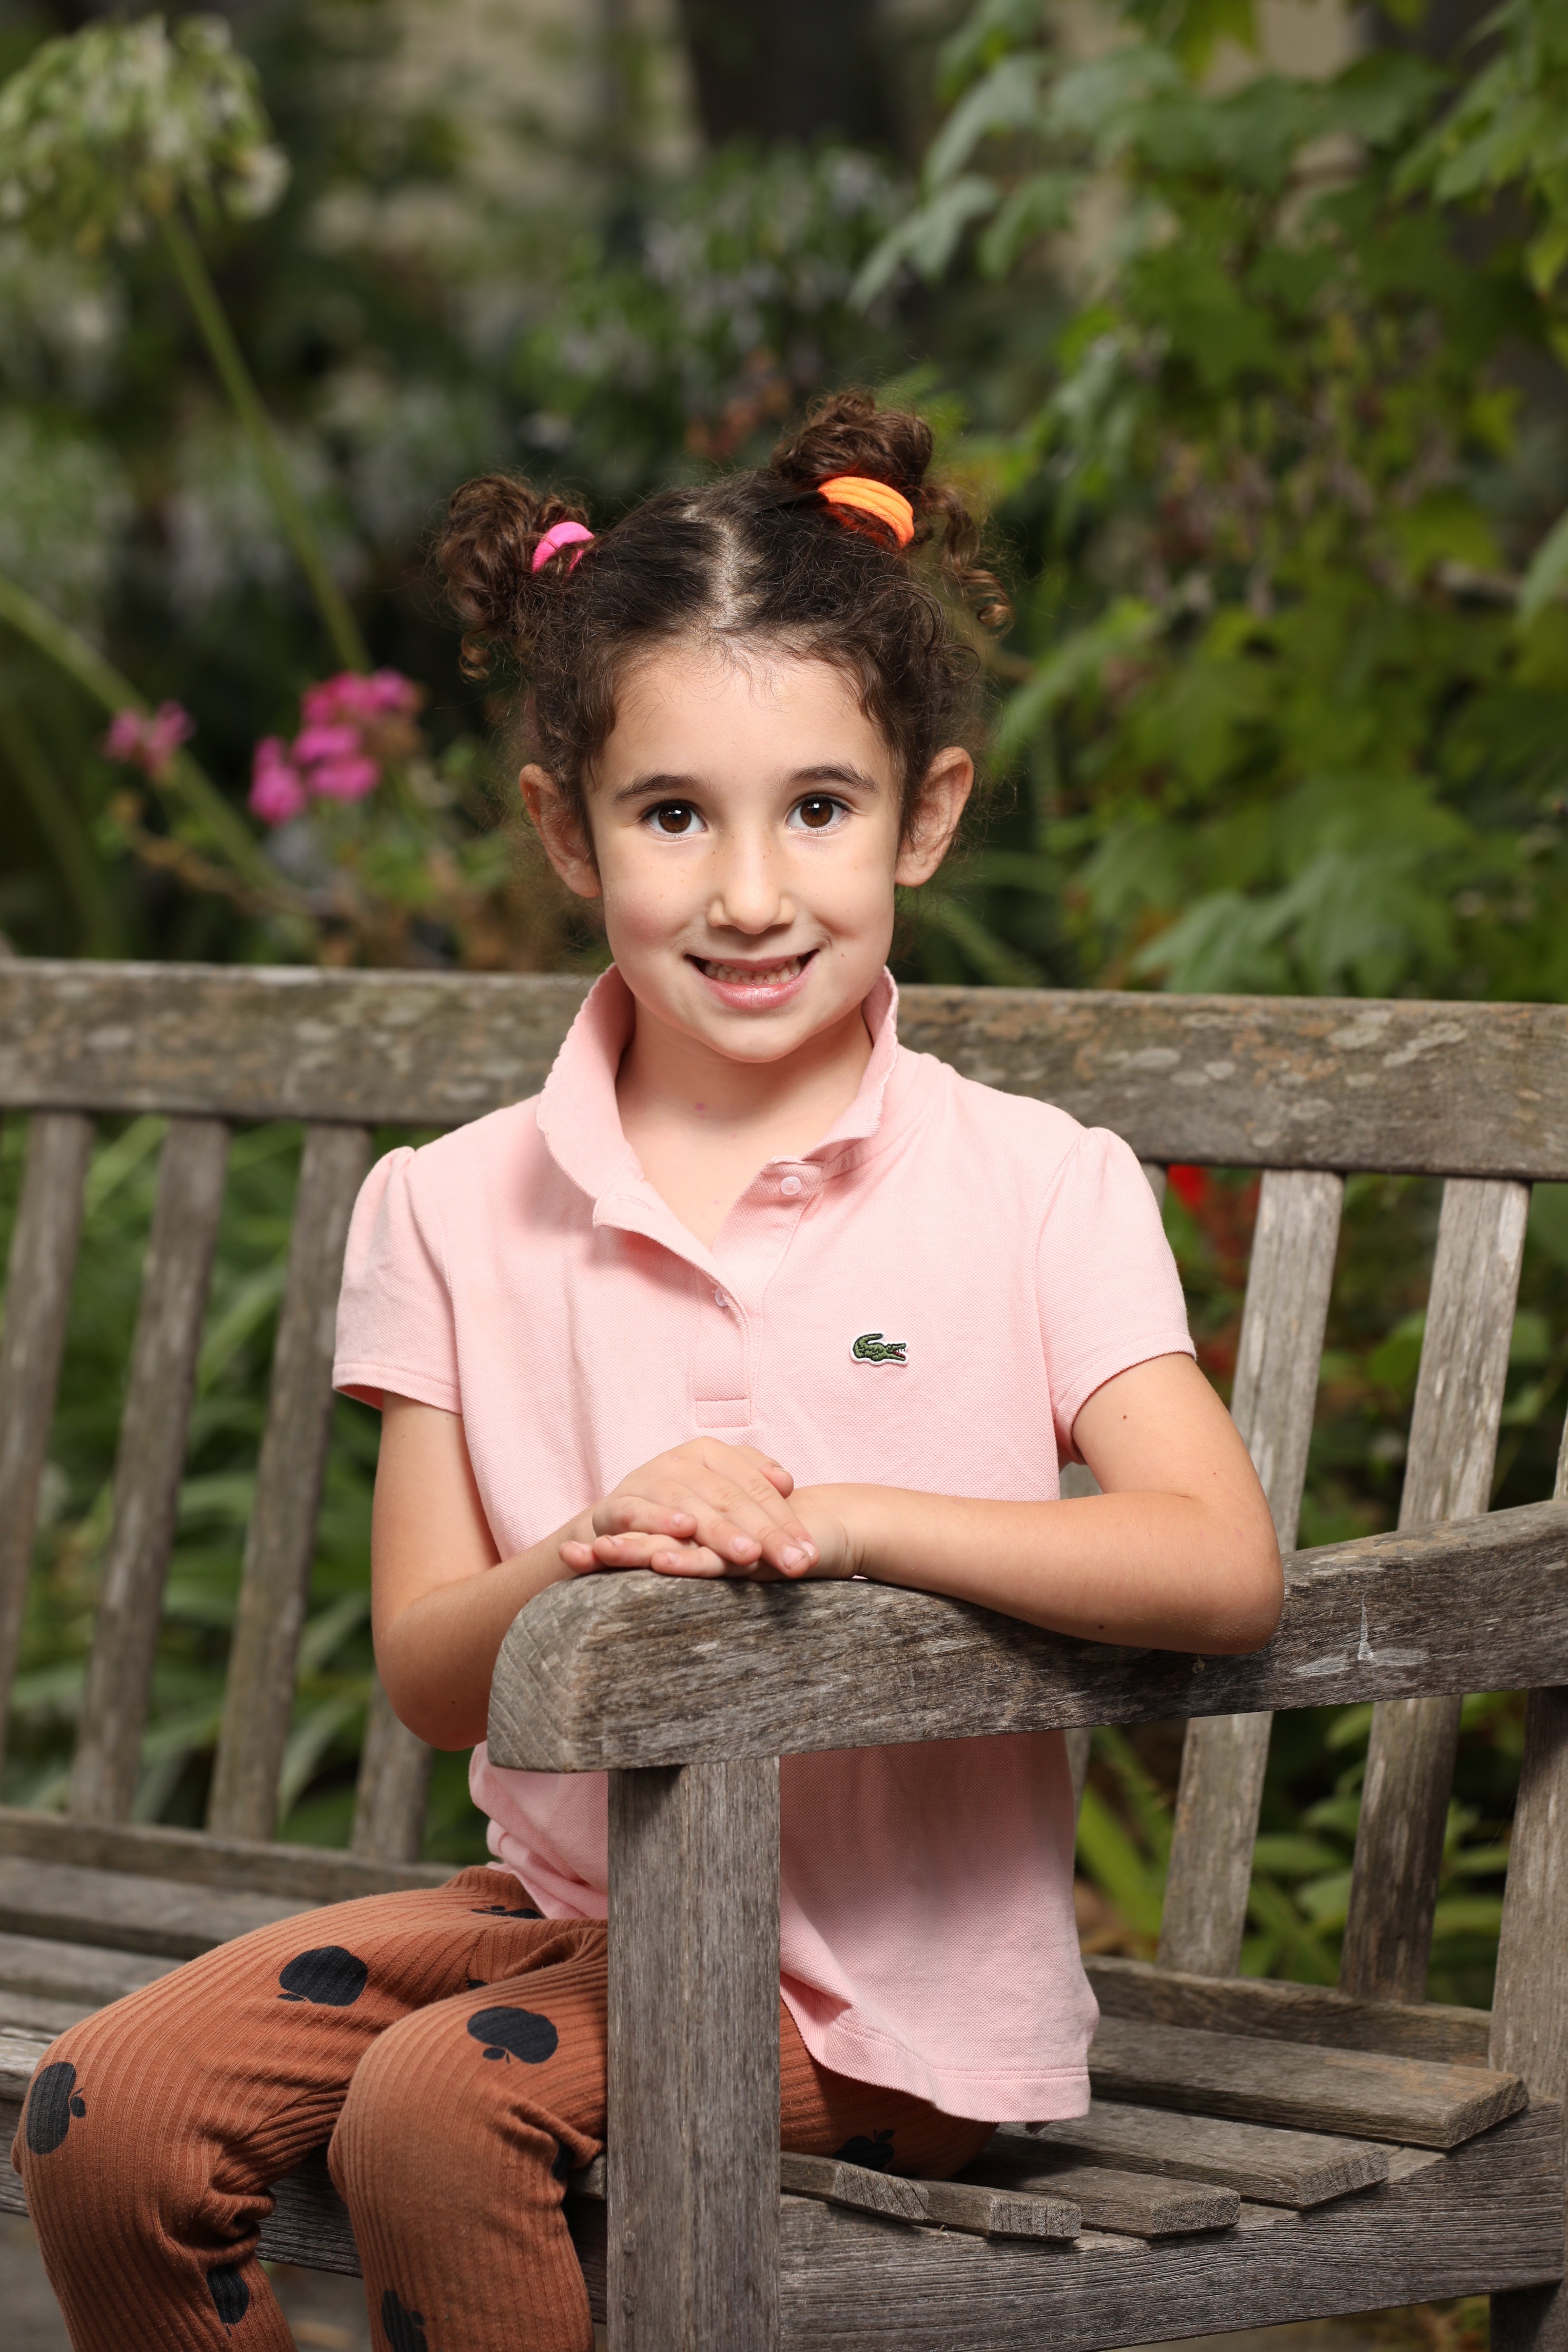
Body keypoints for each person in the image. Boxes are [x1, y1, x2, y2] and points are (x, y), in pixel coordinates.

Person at [14, 393, 1282, 2352]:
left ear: (927, 814)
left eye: (819, 809)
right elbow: (434, 1669)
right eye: (675, 815)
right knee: (105, 2115)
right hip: (562, 1933)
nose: (751, 893)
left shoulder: (1038, 1187)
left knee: (436, 2120)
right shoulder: (451, 1208)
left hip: (882, 2006)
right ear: (566, 828)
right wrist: (588, 1545)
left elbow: (1219, 1560)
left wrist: (844, 1522)